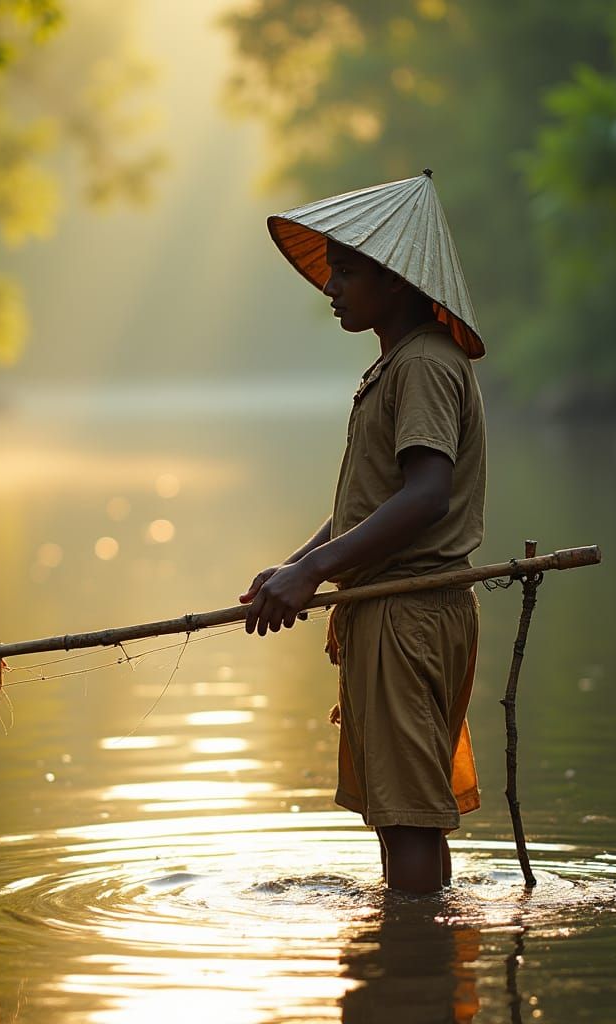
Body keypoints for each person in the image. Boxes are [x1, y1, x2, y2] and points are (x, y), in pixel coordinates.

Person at [239, 171, 486, 894]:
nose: (332, 287)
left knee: (409, 815)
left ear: (400, 282)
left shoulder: (425, 367)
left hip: (410, 612)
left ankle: (413, 971)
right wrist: (293, 566)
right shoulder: (395, 365)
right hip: (388, 610)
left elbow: (426, 496)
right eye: (333, 271)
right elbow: (369, 504)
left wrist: (314, 574)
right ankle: (416, 961)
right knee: (399, 811)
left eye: (347, 272)